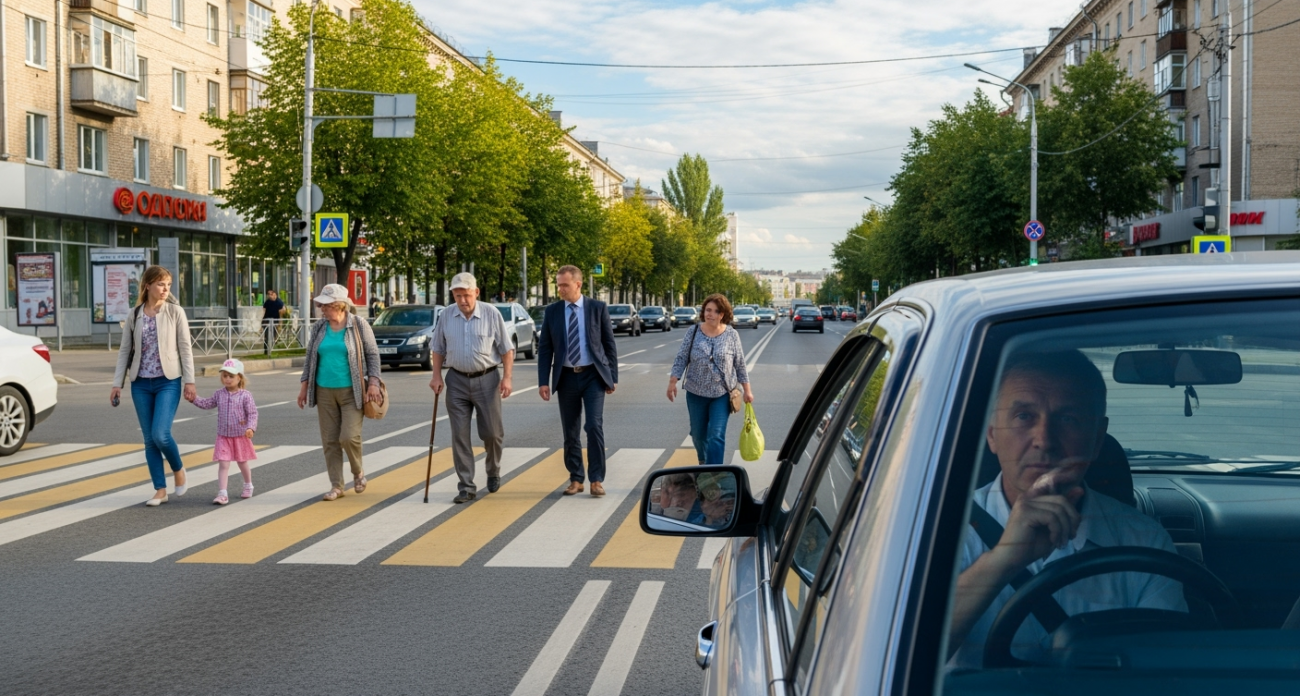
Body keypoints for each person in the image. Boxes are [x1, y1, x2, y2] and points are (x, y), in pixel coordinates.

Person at [947, 350, 1186, 668]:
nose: (1044, 440)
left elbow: (1164, 673)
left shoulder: (1145, 542)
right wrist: (1003, 558)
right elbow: (906, 653)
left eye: (1068, 419)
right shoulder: (943, 529)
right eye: (1023, 417)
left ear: (1098, 438)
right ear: (992, 434)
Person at [110, 266, 197, 507]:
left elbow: (185, 349)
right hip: (140, 383)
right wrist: (118, 383)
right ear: (147, 285)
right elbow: (125, 351)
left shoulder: (175, 312)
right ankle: (160, 489)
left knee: (161, 434)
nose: (165, 288)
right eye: (160, 284)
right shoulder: (135, 313)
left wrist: (189, 381)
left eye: (168, 284)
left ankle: (178, 468)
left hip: (168, 381)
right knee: (149, 440)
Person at [427, 272, 514, 504]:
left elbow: (506, 349)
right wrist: (437, 376)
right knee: (460, 435)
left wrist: (507, 378)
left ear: (476, 292)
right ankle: (466, 486)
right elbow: (437, 348)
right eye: (457, 296)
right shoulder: (447, 315)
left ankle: (493, 470)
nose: (462, 300)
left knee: (492, 433)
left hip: (487, 380)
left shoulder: (491, 313)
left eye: (466, 295)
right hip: (456, 380)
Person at [536, 265, 617, 497]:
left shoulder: (596, 308)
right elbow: (545, 349)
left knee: (593, 425)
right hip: (566, 377)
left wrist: (612, 377)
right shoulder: (552, 312)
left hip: (593, 375)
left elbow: (609, 344)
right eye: (558, 285)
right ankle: (576, 478)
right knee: (570, 431)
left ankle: (596, 479)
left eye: (564, 285)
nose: (560, 289)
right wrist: (543, 381)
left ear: (578, 284)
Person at [297, 284, 383, 501]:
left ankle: (358, 472)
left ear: (337, 305)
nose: (321, 309)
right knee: (330, 440)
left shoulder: (358, 325)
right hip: (324, 390)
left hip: (352, 391)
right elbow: (310, 358)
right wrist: (304, 386)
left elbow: (372, 355)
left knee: (348, 437)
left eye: (324, 305)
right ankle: (337, 486)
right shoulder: (319, 328)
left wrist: (373, 383)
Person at [666, 293, 754, 465]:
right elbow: (681, 357)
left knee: (716, 434)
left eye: (715, 311)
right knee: (699, 435)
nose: (710, 314)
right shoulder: (693, 332)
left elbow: (740, 364)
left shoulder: (731, 335)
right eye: (707, 310)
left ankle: (714, 476)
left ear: (722, 314)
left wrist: (747, 391)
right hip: (695, 393)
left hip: (721, 394)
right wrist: (672, 382)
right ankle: (703, 462)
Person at [191, 359, 258, 505]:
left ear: (239, 377)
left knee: (242, 462)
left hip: (240, 435)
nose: (227, 379)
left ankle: (248, 484)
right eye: (224, 376)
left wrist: (250, 428)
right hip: (223, 436)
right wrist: (194, 399)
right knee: (223, 464)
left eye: (231, 376)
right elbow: (207, 403)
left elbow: (252, 413)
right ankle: (222, 493)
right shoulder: (219, 394)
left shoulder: (245, 395)